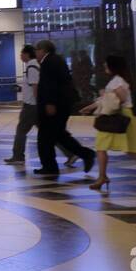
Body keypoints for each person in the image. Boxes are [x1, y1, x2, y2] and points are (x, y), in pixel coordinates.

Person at [79, 55, 136, 193]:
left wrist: (105, 97)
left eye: (106, 65)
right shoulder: (120, 80)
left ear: (113, 66)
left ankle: (102, 177)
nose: (104, 67)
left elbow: (119, 99)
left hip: (116, 118)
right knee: (132, 150)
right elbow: (111, 99)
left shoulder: (116, 81)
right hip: (124, 117)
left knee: (102, 147)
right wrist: (93, 106)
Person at [35, 39, 95, 176]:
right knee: (59, 135)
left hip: (55, 106)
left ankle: (50, 166)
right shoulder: (55, 60)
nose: (36, 53)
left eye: (37, 50)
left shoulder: (49, 62)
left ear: (43, 50)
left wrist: (50, 103)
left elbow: (51, 84)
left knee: (45, 137)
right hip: (61, 104)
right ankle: (85, 155)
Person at [5, 45, 41, 164]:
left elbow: (35, 87)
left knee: (21, 131)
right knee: (47, 131)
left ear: (27, 54)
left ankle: (18, 156)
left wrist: (38, 104)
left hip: (31, 106)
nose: (20, 56)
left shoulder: (32, 66)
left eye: (21, 53)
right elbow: (31, 86)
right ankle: (70, 153)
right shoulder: (34, 65)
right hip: (34, 105)